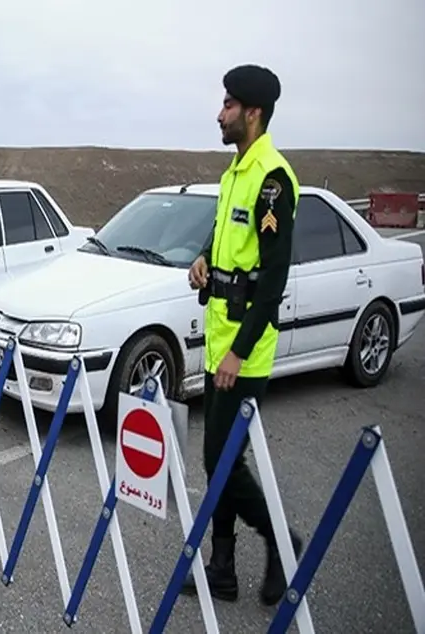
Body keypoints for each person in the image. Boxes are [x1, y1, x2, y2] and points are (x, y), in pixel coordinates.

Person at [180, 64, 304, 606]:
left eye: (228, 105)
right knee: (224, 457)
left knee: (219, 462)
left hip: (242, 354)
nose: (219, 113)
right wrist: (203, 258)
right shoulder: (237, 173)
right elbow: (223, 234)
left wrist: (236, 352)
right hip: (218, 341)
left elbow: (272, 283)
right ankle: (222, 566)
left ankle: (284, 542)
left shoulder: (273, 180)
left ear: (252, 113)